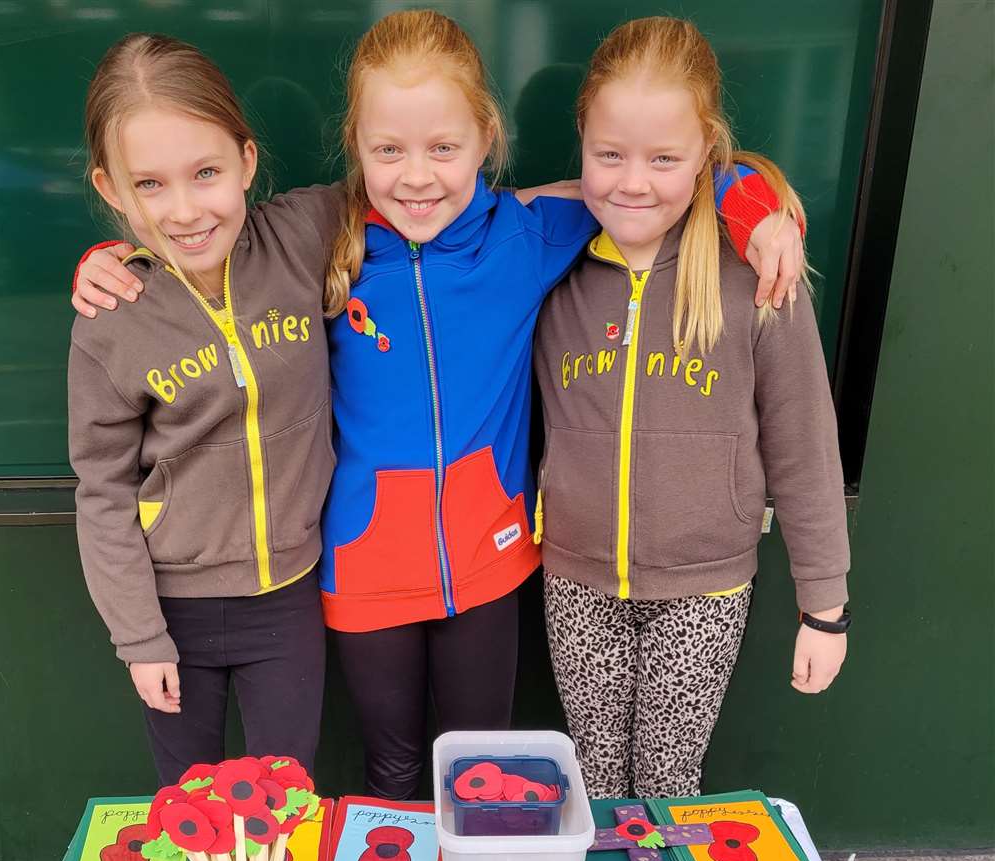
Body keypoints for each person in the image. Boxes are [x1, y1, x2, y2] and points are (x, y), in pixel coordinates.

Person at [73, 10, 805, 801]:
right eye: (388, 149)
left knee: (479, 767)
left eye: (443, 148)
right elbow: (189, 253)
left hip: (489, 568)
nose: (417, 177)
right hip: (361, 570)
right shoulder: (320, 241)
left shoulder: (525, 235)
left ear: (485, 138)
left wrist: (752, 200)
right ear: (356, 145)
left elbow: (645, 185)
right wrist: (113, 256)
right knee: (389, 768)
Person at [533, 16, 850, 799]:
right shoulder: (552, 261)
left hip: (704, 589)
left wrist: (826, 606)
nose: (632, 182)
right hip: (575, 577)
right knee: (596, 779)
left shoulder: (755, 274)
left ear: (707, 152)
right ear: (582, 144)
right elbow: (472, 211)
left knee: (669, 783)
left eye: (664, 159)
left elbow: (803, 442)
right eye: (609, 155)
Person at [69, 33, 345, 785]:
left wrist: (707, 193)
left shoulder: (300, 235)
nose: (185, 210)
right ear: (110, 190)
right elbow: (102, 490)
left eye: (206, 173)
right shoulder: (112, 315)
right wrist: (140, 637)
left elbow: (422, 187)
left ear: (247, 161)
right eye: (149, 186)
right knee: (190, 807)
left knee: (287, 798)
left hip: (288, 598)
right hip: (174, 611)